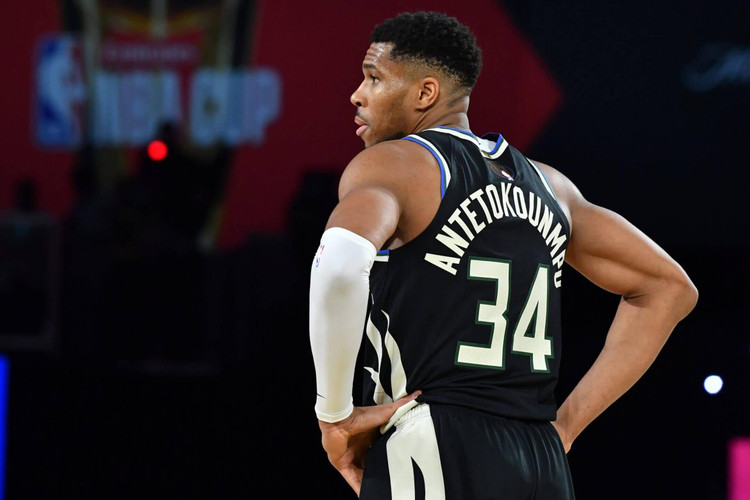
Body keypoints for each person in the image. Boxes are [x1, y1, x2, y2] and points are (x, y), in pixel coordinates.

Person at [309, 11, 697, 499]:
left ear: (425, 94)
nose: (357, 94)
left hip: (436, 437)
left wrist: (335, 414)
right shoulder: (551, 186)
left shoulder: (395, 164)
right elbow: (669, 288)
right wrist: (567, 425)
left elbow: (339, 266)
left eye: (373, 78)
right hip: (540, 457)